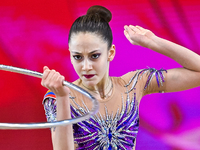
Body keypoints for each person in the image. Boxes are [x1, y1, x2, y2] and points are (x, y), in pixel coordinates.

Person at [41, 5, 200, 150]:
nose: (86, 66)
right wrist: (63, 98)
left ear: (110, 53)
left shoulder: (133, 84)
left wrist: (153, 42)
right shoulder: (58, 97)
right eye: (77, 57)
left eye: (94, 56)